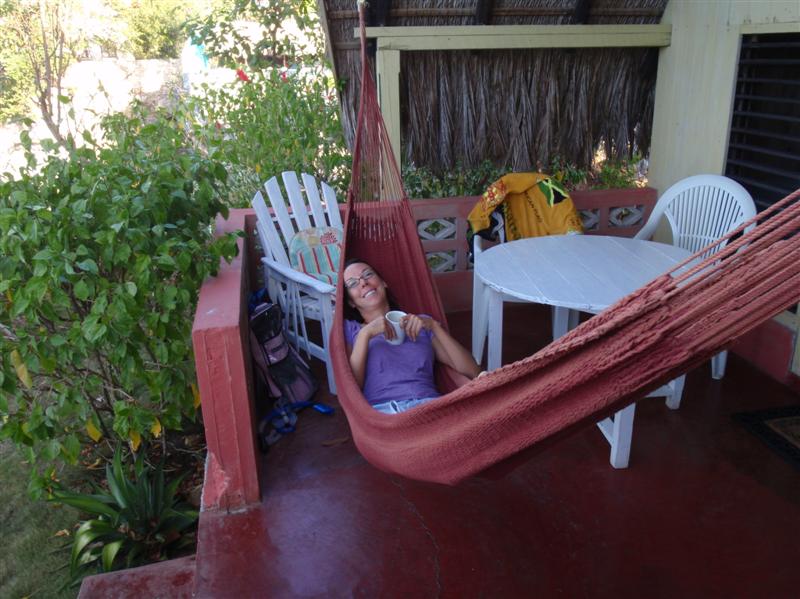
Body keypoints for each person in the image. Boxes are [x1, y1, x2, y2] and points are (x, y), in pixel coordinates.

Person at [343, 259, 481, 414]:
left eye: (368, 274)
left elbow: (473, 371)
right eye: (353, 283)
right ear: (351, 302)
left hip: (430, 408)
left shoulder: (421, 324)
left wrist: (434, 327)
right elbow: (352, 389)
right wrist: (365, 334)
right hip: (384, 413)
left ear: (383, 282)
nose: (363, 283)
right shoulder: (352, 329)